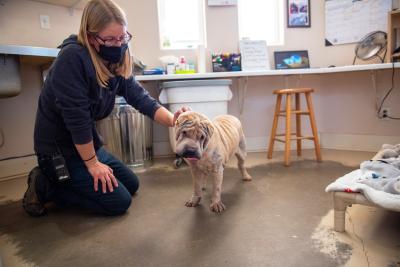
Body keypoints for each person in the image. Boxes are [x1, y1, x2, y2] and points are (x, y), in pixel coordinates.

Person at [22, 0, 188, 216]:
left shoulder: (115, 58)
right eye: (110, 39)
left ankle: (73, 178)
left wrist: (174, 120)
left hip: (86, 145)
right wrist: (92, 165)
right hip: (60, 152)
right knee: (119, 202)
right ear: (91, 37)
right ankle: (47, 184)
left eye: (122, 37)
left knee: (131, 184)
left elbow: (140, 97)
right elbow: (77, 120)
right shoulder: (72, 59)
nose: (119, 45)